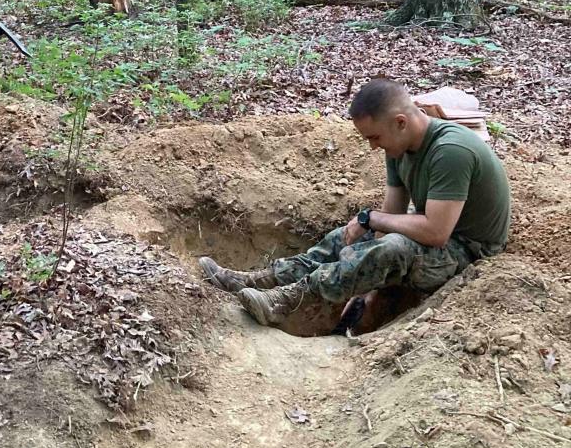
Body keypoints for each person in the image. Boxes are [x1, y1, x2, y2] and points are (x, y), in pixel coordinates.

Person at [199, 77, 511, 329]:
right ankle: (261, 280)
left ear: (400, 122)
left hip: (470, 250)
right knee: (347, 236)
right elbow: (390, 217)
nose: (374, 146)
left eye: (375, 137)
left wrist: (371, 222)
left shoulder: (451, 151)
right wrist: (367, 277)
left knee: (392, 248)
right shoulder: (398, 147)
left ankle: (287, 301)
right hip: (438, 233)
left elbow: (436, 232)